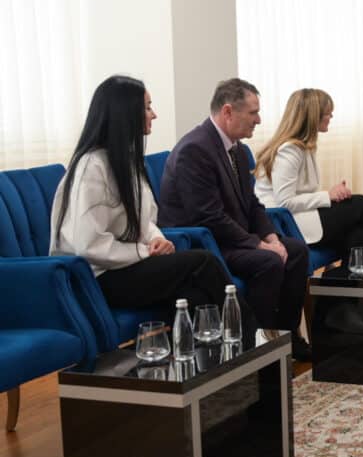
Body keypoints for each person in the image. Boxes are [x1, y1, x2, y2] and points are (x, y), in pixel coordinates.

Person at [50, 75, 240, 324]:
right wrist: (144, 252)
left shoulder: (124, 161)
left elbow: (144, 219)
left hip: (125, 266)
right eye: (148, 107)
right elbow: (89, 245)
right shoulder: (91, 167)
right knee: (204, 262)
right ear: (126, 113)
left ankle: (216, 348)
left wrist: (156, 239)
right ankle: (253, 339)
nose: (154, 115)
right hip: (97, 278)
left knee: (194, 295)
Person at [157, 78, 311, 360]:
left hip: (232, 238)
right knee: (268, 262)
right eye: (253, 113)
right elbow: (208, 217)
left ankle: (286, 338)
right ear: (228, 112)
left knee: (296, 251)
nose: (258, 120)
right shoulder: (195, 150)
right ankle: (254, 350)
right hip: (205, 245)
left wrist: (272, 238)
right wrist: (260, 245)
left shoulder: (237, 149)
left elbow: (252, 203)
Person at [253, 88, 363, 261]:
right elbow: (285, 202)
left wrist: (331, 195)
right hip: (285, 222)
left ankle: (346, 276)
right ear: (314, 116)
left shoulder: (303, 147)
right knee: (360, 203)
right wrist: (328, 196)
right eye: (328, 113)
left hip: (301, 216)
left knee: (359, 235)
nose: (331, 117)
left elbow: (301, 193)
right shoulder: (289, 150)